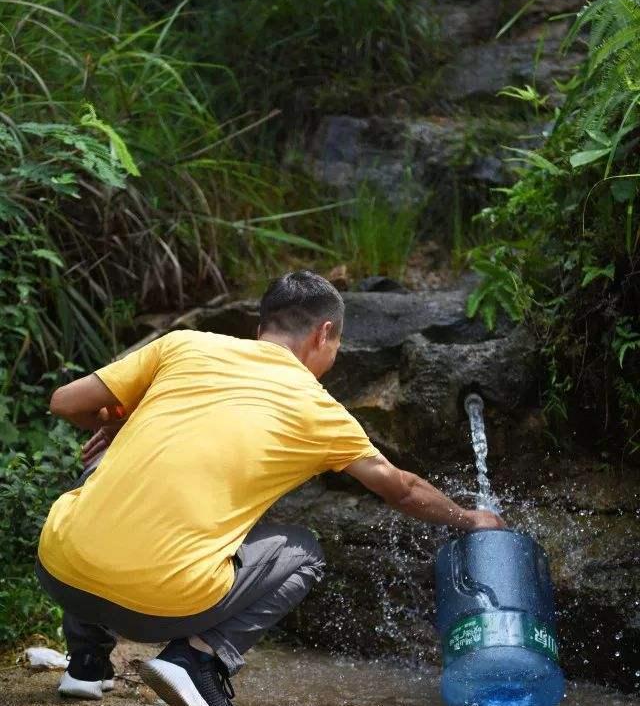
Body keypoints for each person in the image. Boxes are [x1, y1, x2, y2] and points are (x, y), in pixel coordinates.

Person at [37, 270, 505, 706]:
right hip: (158, 608)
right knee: (304, 550)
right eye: (336, 343)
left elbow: (65, 402)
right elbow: (401, 489)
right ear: (323, 334)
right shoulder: (320, 412)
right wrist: (471, 518)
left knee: (107, 473)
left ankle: (85, 664)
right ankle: (196, 659)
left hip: (57, 571)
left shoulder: (184, 346)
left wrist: (126, 424)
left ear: (264, 325)